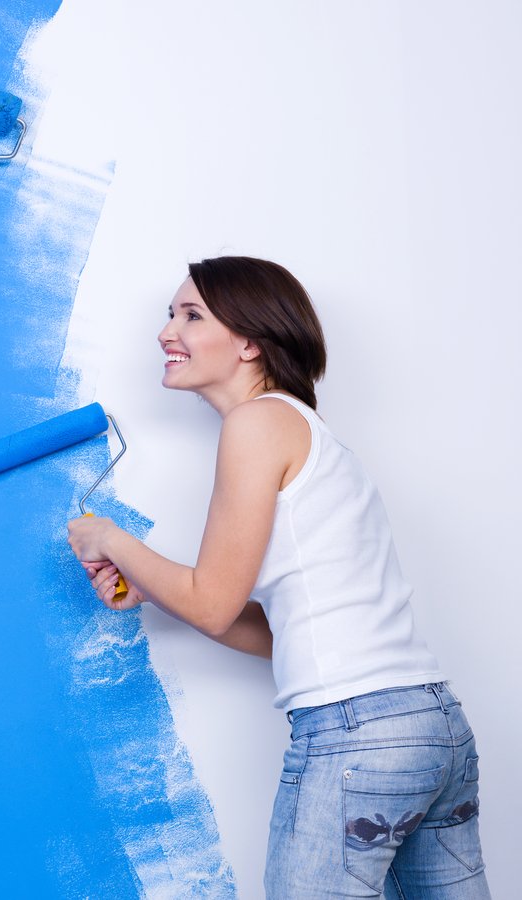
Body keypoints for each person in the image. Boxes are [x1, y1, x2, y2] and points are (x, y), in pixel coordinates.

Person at [66, 257, 489, 898]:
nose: (166, 332)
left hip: (356, 740)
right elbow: (279, 631)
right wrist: (149, 584)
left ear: (250, 342)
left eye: (191, 315)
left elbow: (210, 605)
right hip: (430, 727)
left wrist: (113, 539)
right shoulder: (302, 430)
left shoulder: (257, 424)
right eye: (169, 314)